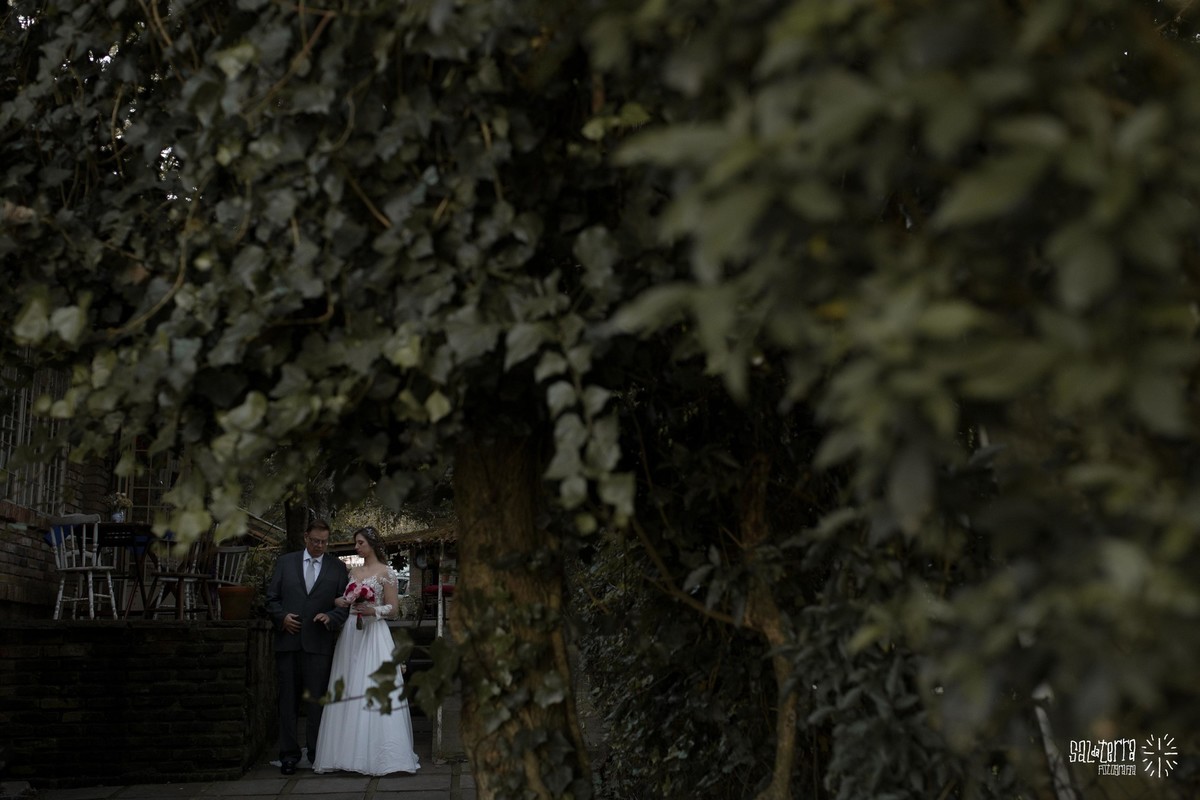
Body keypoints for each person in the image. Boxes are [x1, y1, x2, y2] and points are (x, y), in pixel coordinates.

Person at [312, 526, 420, 775]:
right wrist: (342, 601)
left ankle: (382, 754)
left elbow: (393, 609)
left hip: (374, 634)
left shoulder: (386, 573)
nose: (357, 547)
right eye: (356, 543)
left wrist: (373, 610)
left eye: (360, 543)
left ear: (371, 544)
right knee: (349, 683)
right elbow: (343, 601)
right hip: (352, 633)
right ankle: (345, 753)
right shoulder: (354, 571)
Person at [265, 519, 349, 775]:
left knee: (316, 702)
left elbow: (344, 606)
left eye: (324, 542)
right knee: (288, 702)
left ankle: (316, 752)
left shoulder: (337, 567)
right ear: (305, 537)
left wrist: (331, 618)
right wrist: (281, 618)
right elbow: (271, 599)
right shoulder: (285, 563)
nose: (319, 546)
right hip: (288, 644)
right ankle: (289, 755)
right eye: (315, 541)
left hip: (319, 644)